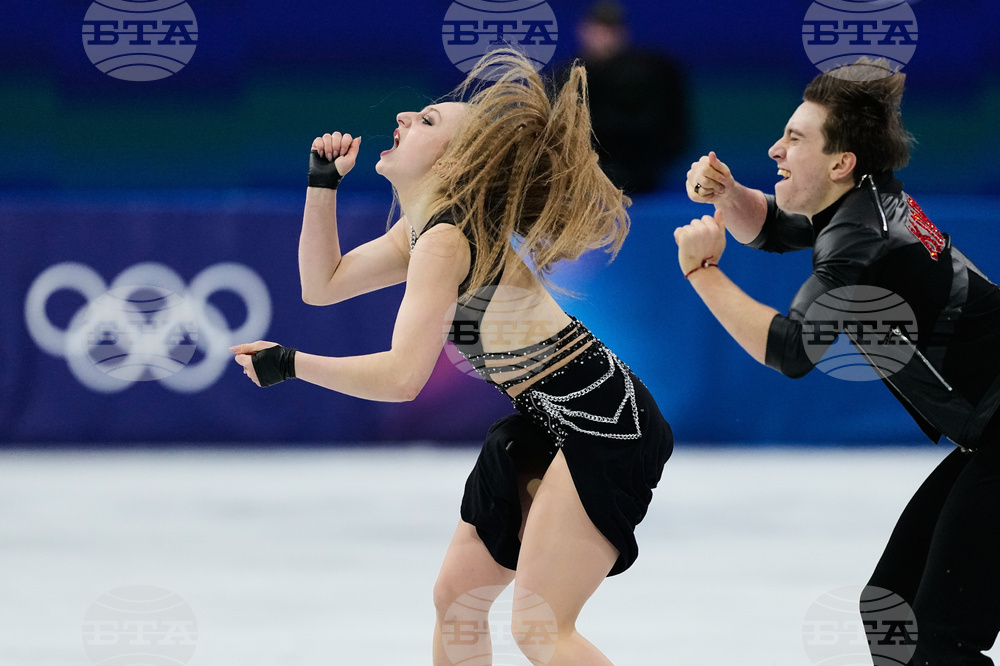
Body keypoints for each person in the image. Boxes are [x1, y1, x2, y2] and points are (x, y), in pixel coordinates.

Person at [232, 49, 673, 666]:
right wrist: (321, 185)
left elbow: (401, 379)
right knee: (457, 599)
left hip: (604, 423)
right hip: (547, 417)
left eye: (428, 121)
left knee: (541, 628)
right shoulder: (421, 230)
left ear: (453, 162)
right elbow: (321, 284)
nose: (405, 117)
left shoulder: (444, 240)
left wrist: (292, 364)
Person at [675, 57, 1000, 664]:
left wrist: (702, 272)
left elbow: (792, 350)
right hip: (988, 433)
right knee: (892, 612)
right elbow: (776, 228)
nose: (775, 149)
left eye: (794, 139)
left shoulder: (861, 237)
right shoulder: (866, 200)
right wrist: (729, 195)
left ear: (840, 163)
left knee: (934, 637)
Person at [569, 0, 689, 194]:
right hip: (583, 169)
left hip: (639, 169)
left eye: (610, 30)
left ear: (623, 32)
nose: (604, 37)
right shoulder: (567, 76)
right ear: (582, 31)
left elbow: (669, 129)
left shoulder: (652, 72)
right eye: (598, 30)